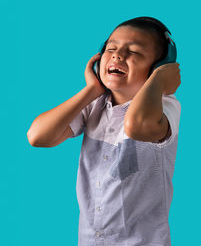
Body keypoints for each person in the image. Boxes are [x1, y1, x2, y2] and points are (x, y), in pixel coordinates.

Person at [27, 16, 181, 246]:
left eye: (134, 52)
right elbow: (37, 136)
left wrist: (158, 80)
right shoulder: (95, 105)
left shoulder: (165, 106)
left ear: (159, 67)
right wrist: (90, 91)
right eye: (111, 48)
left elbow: (136, 126)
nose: (118, 55)